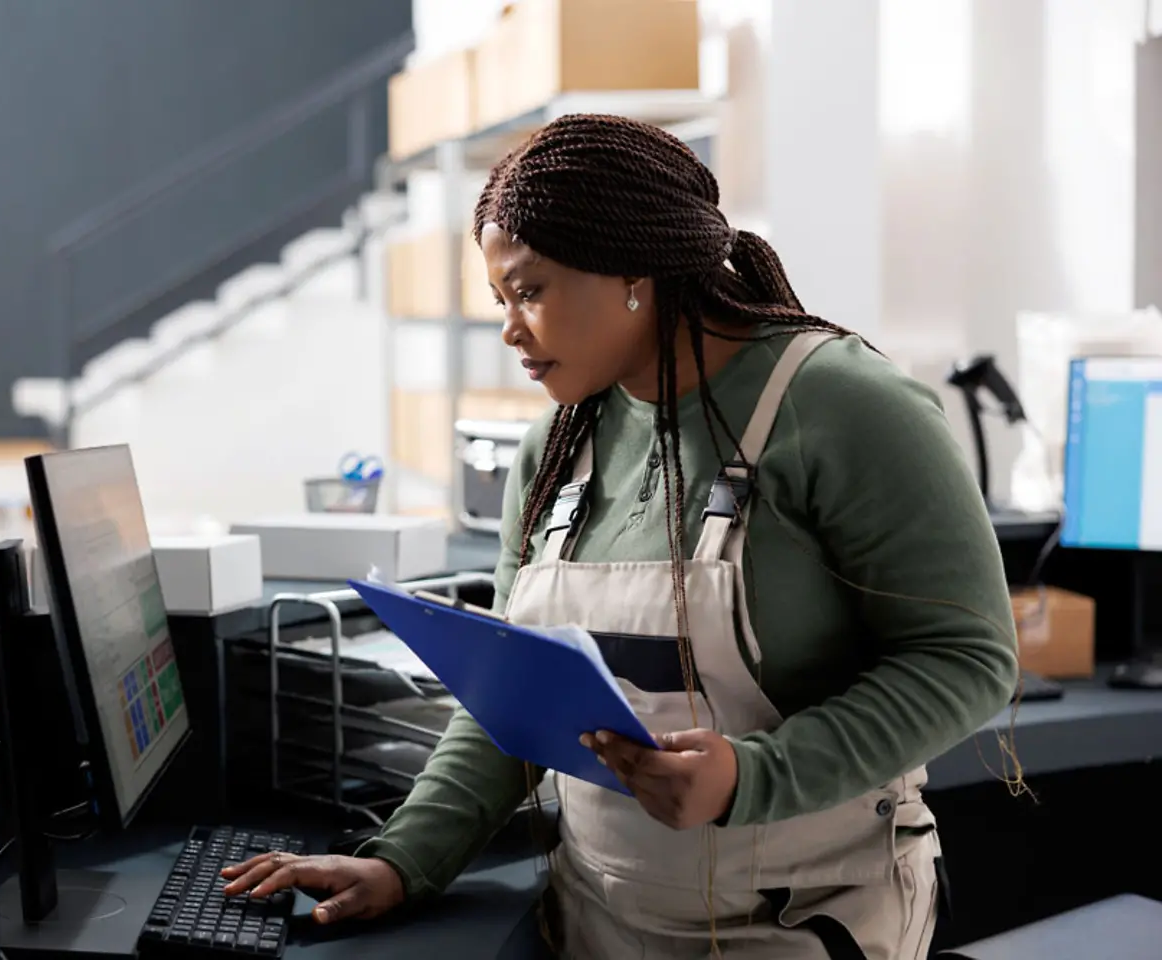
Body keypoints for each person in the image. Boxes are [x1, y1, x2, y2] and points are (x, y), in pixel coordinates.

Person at [222, 114, 1019, 959]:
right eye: (500, 300)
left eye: (530, 291)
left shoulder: (846, 408)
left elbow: (968, 660)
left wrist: (752, 777)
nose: (509, 330)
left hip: (801, 920)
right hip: (595, 916)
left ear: (633, 271)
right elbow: (510, 699)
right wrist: (403, 859)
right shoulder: (556, 447)